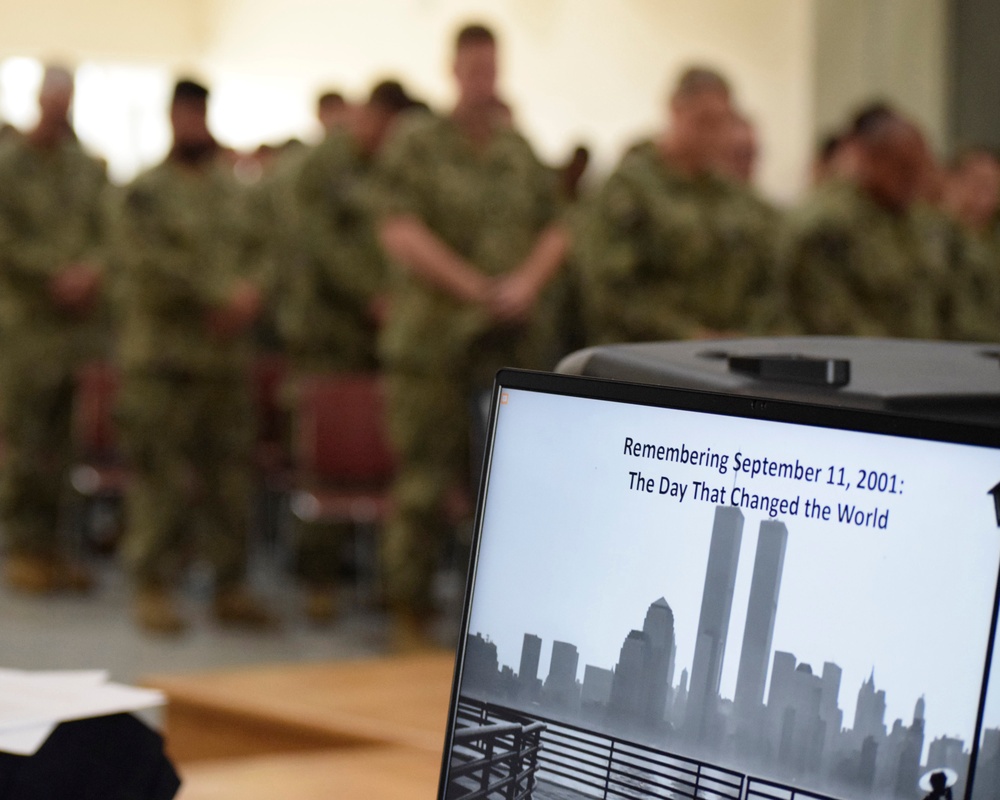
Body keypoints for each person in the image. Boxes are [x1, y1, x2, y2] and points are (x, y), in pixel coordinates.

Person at [375, 23, 567, 646]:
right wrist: (474, 288)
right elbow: (398, 229)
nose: (483, 81)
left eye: (492, 69)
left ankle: (488, 623)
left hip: (506, 346)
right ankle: (408, 611)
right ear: (453, 69)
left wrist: (528, 283)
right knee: (424, 484)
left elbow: (558, 227)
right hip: (432, 344)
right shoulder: (417, 143)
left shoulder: (517, 151)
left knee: (502, 487)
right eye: (473, 69)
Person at [112, 79, 274, 634]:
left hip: (224, 361)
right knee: (158, 477)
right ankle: (152, 585)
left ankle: (229, 585)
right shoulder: (145, 193)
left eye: (198, 113)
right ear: (170, 117)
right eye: (183, 113)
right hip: (164, 361)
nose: (191, 123)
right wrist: (220, 295)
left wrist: (249, 296)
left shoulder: (233, 191)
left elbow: (266, 250)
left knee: (229, 478)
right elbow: (147, 265)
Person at [278, 79, 422, 622]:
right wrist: (371, 294)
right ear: (374, 117)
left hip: (378, 335)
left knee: (377, 453)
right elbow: (316, 243)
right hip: (326, 335)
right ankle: (319, 577)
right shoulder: (324, 166)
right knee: (324, 456)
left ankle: (375, 576)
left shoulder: (387, 168)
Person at [574, 67, 781, 345]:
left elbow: (766, 277)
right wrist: (689, 336)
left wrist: (745, 335)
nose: (714, 135)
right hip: (646, 359)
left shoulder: (733, 196)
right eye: (704, 121)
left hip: (726, 358)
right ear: (675, 111)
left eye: (722, 123)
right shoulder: (629, 188)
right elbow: (611, 290)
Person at [0, 65, 107, 593]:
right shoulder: (8, 165)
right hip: (24, 327)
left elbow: (108, 230)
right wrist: (54, 273)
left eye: (67, 99)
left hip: (74, 330)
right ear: (39, 99)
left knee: (64, 447)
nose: (59, 108)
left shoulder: (86, 167)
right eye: (52, 98)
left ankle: (56, 547)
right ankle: (23, 546)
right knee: (23, 440)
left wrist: (89, 271)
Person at [782, 108, 947, 338]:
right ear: (870, 160)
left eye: (921, 167)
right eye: (903, 167)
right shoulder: (828, 223)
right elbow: (832, 318)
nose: (914, 179)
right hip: (862, 362)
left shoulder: (921, 223)